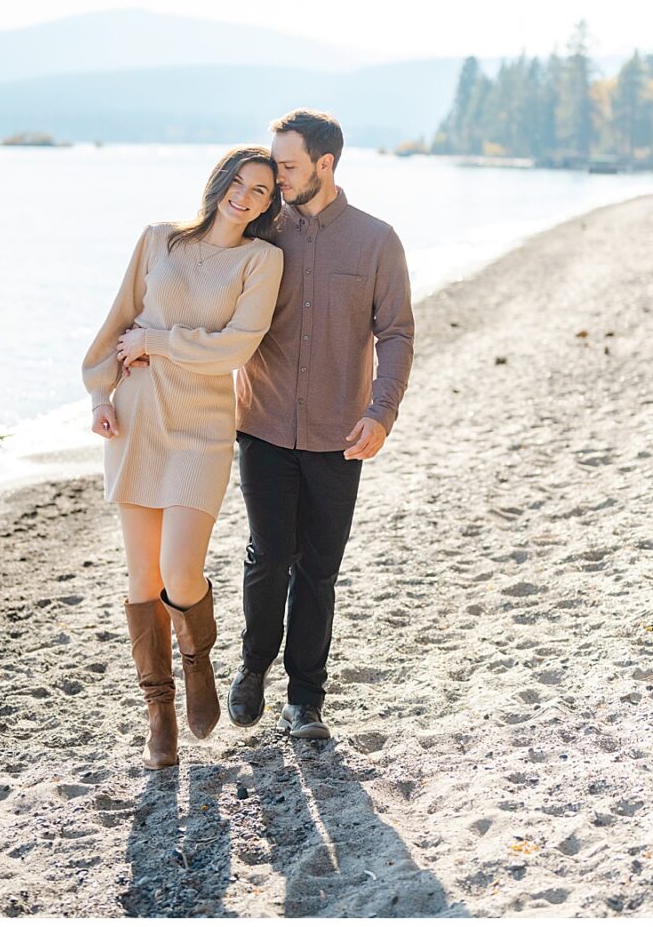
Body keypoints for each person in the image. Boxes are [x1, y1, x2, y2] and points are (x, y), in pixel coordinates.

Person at [81, 146, 283, 769]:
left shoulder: (261, 261)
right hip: (137, 418)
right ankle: (159, 713)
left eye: (261, 190)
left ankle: (198, 665)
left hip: (202, 425)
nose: (245, 196)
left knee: (180, 573)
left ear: (269, 204)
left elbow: (233, 350)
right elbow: (119, 321)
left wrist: (158, 343)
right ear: (219, 181)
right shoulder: (159, 239)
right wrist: (99, 393)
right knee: (142, 579)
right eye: (239, 182)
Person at [230, 108, 414, 741]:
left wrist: (381, 412)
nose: (275, 177)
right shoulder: (259, 230)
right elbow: (202, 288)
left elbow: (396, 333)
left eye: (287, 166)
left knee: (318, 568)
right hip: (262, 422)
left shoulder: (376, 240)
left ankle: (305, 699)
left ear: (325, 165)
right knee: (269, 554)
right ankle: (253, 667)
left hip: (340, 432)